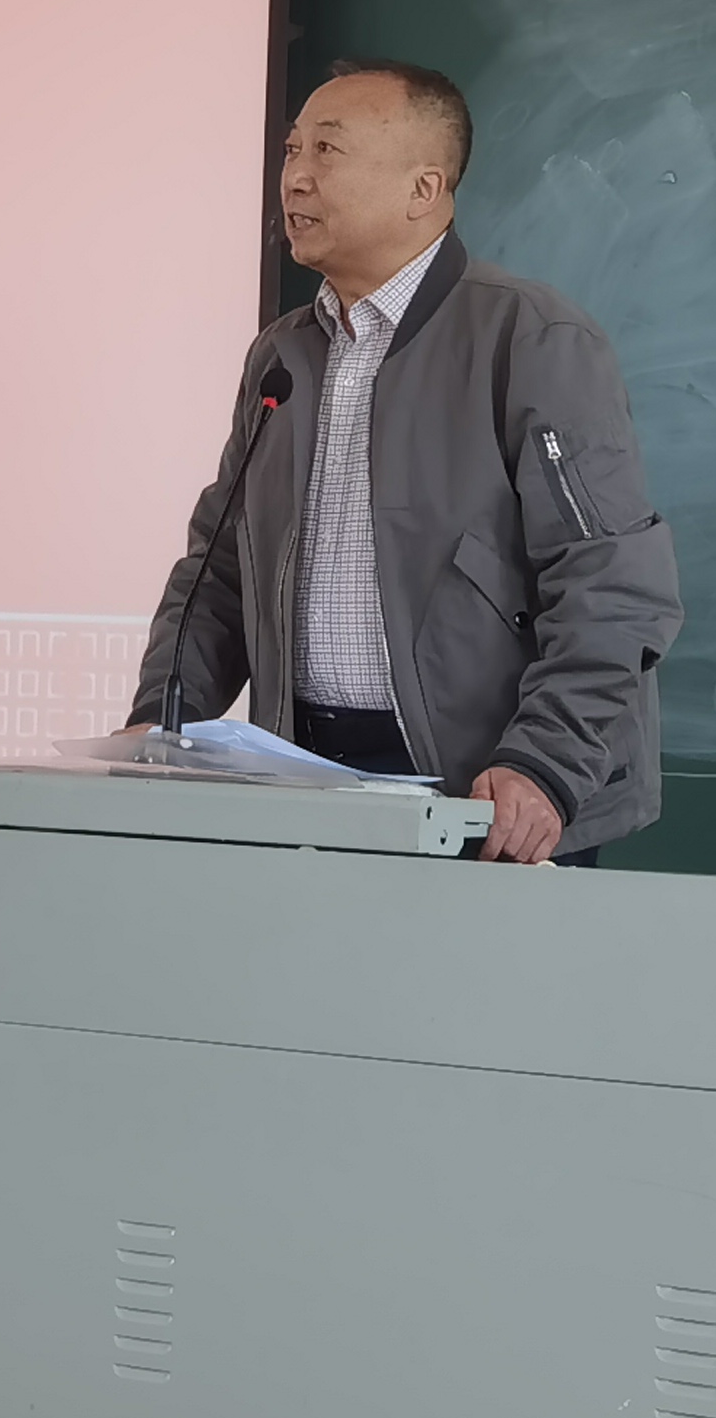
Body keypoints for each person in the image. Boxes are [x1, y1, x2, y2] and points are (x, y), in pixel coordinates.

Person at [131, 60, 680, 864]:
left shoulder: (531, 340)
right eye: (291, 151)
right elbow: (219, 572)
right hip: (309, 787)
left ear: (425, 189)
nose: (296, 177)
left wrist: (543, 765)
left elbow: (612, 583)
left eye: (327, 150)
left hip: (493, 797)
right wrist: (162, 722)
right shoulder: (282, 355)